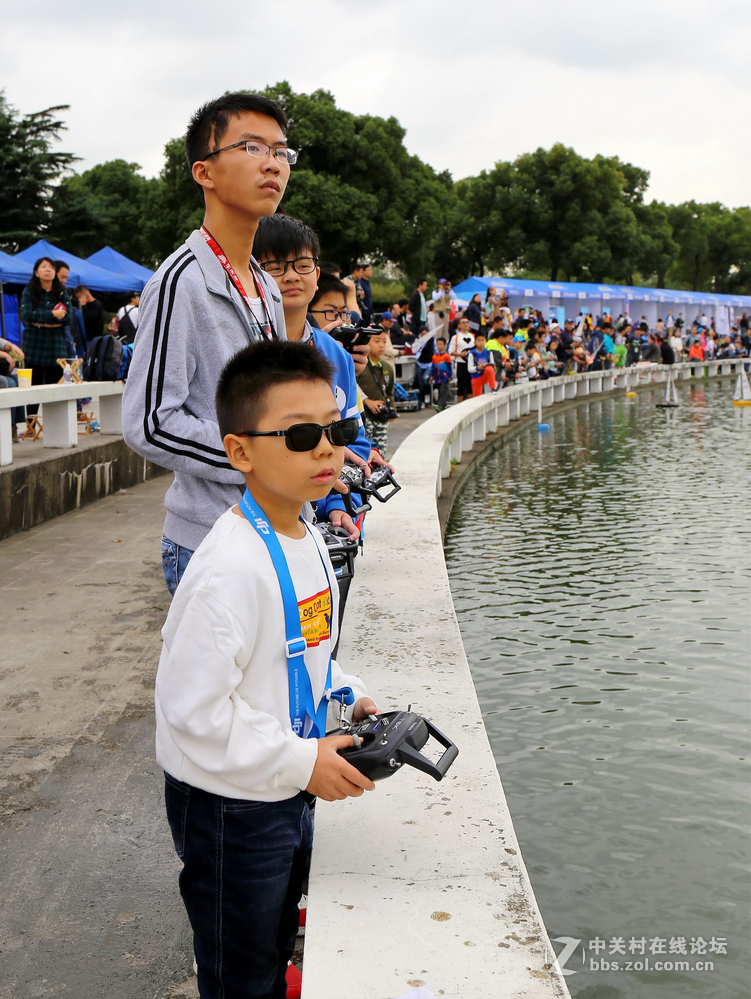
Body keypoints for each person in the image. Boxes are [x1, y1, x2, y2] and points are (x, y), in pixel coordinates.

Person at [157, 338, 379, 997]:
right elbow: (192, 712)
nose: (324, 448)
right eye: (300, 434)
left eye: (336, 429)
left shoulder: (306, 534)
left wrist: (350, 697)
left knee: (279, 939)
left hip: (283, 776)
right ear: (239, 451)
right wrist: (299, 762)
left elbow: (306, 652)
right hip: (230, 807)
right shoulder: (227, 568)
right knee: (239, 968)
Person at [122, 92, 291, 594]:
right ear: (204, 172)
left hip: (277, 529)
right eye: (252, 147)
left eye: (282, 152)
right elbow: (149, 422)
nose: (273, 165)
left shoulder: (267, 286)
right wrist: (255, 459)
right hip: (212, 540)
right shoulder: (181, 282)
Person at [252, 213, 387, 539]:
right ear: (253, 272)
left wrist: (341, 505)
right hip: (254, 521)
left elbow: (351, 437)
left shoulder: (336, 355)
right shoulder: (248, 349)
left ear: (317, 274)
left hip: (317, 526)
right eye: (275, 266)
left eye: (302, 265)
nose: (290, 277)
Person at [20, 257, 71, 406]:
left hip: (56, 344)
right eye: (43, 267)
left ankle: (54, 426)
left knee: (55, 387)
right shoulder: (29, 291)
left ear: (55, 272)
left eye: (51, 267)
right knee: (33, 387)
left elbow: (68, 319)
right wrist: (53, 315)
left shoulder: (62, 292)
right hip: (33, 344)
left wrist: (40, 321)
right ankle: (31, 426)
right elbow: (27, 315)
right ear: (36, 272)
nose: (48, 270)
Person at [357, 329, 396, 453]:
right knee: (364, 450)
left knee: (381, 451)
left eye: (384, 341)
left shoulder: (387, 368)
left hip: (381, 417)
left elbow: (390, 392)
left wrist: (392, 408)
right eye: (377, 341)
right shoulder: (360, 365)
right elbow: (353, 387)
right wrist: (367, 401)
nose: (381, 345)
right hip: (365, 417)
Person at [448, 317, 474, 401]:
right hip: (460, 363)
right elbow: (450, 351)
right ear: (459, 325)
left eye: (467, 322)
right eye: (463, 322)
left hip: (471, 364)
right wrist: (461, 354)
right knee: (461, 386)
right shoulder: (455, 337)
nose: (466, 324)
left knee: (471, 385)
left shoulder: (473, 336)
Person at [430, 336, 452, 411]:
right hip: (437, 377)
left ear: (444, 345)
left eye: (441, 344)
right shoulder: (434, 356)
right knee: (440, 391)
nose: (439, 345)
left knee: (443, 391)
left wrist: (449, 375)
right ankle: (443, 405)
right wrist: (432, 376)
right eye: (438, 344)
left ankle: (440, 405)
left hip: (444, 377)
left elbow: (449, 366)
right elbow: (433, 367)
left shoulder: (446, 356)